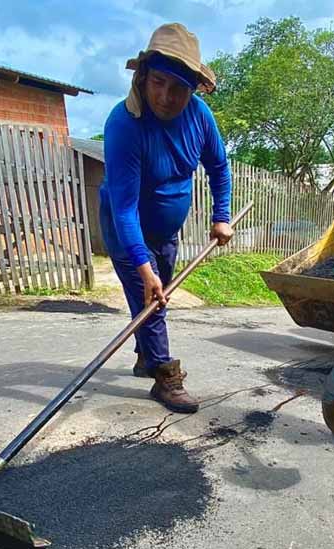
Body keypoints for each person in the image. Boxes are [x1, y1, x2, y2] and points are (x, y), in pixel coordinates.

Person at [100, 23, 233, 414]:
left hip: (167, 228)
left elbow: (219, 168)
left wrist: (221, 216)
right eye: (158, 82)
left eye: (179, 88)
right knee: (153, 299)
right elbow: (124, 209)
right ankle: (164, 378)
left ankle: (146, 355)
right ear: (143, 76)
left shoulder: (199, 116)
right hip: (126, 229)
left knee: (159, 295)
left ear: (193, 89)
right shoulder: (124, 124)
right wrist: (144, 269)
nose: (166, 96)